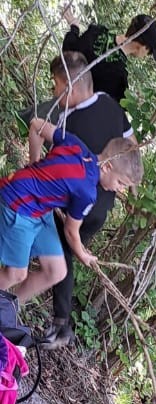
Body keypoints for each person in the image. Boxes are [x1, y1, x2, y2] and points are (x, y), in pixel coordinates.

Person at [32, 51, 137, 347]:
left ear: (69, 87)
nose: (54, 93)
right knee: (66, 250)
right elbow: (132, 144)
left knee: (63, 243)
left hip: (78, 200)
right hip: (101, 207)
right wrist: (129, 187)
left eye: (56, 86)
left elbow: (53, 164)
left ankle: (57, 320)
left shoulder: (69, 121)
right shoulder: (109, 103)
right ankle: (60, 321)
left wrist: (34, 166)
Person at [0, 120, 142, 304]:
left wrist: (34, 164)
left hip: (40, 210)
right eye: (121, 183)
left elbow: (37, 125)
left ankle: (9, 308)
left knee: (56, 271)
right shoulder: (87, 193)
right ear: (107, 167)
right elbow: (70, 231)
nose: (120, 189)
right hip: (18, 204)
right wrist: (82, 255)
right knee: (17, 274)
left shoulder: (76, 144)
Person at [61, 12, 156, 103]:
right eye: (150, 52)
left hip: (60, 94)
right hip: (71, 112)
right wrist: (135, 101)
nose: (147, 55)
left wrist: (74, 28)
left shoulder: (96, 32)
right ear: (143, 47)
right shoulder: (118, 76)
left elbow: (68, 53)